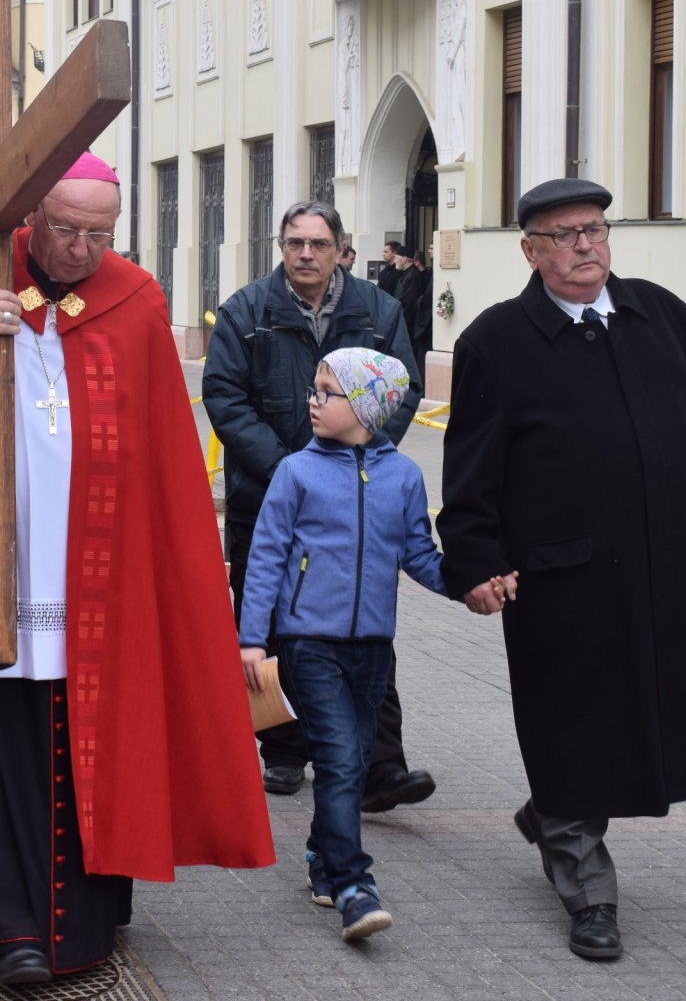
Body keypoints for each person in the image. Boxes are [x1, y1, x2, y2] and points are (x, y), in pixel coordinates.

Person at [0, 154, 275, 986]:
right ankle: (5, 928)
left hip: (99, 586)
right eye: (67, 230)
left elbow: (163, 461)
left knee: (91, 747)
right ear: (35, 215)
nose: (81, 250)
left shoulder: (135, 298)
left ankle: (88, 920)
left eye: (99, 234)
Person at [439, 177, 686, 963]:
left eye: (595, 229)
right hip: (560, 581)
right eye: (565, 234)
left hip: (659, 570)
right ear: (531, 252)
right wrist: (475, 561)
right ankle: (588, 891)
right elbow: (471, 470)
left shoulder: (662, 315)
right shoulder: (497, 342)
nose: (586, 245)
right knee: (569, 729)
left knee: (636, 723)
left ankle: (552, 815)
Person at [202, 201, 434, 812]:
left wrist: (365, 456)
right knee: (271, 623)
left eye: (318, 244)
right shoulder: (247, 311)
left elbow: (405, 388)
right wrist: (290, 471)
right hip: (267, 497)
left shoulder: (378, 311)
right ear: (281, 247)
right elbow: (224, 396)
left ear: (340, 250)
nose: (305, 254)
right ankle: (282, 750)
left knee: (363, 626)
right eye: (294, 243)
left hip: (356, 502)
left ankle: (382, 766)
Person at [238, 348, 462, 941]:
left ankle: (321, 856)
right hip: (309, 643)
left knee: (354, 763)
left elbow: (419, 556)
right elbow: (264, 559)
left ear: (366, 405)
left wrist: (469, 585)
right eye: (314, 388)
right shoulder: (296, 472)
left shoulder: (404, 477)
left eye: (325, 392)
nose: (312, 401)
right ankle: (354, 886)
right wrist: (251, 642)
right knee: (338, 761)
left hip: (372, 650)